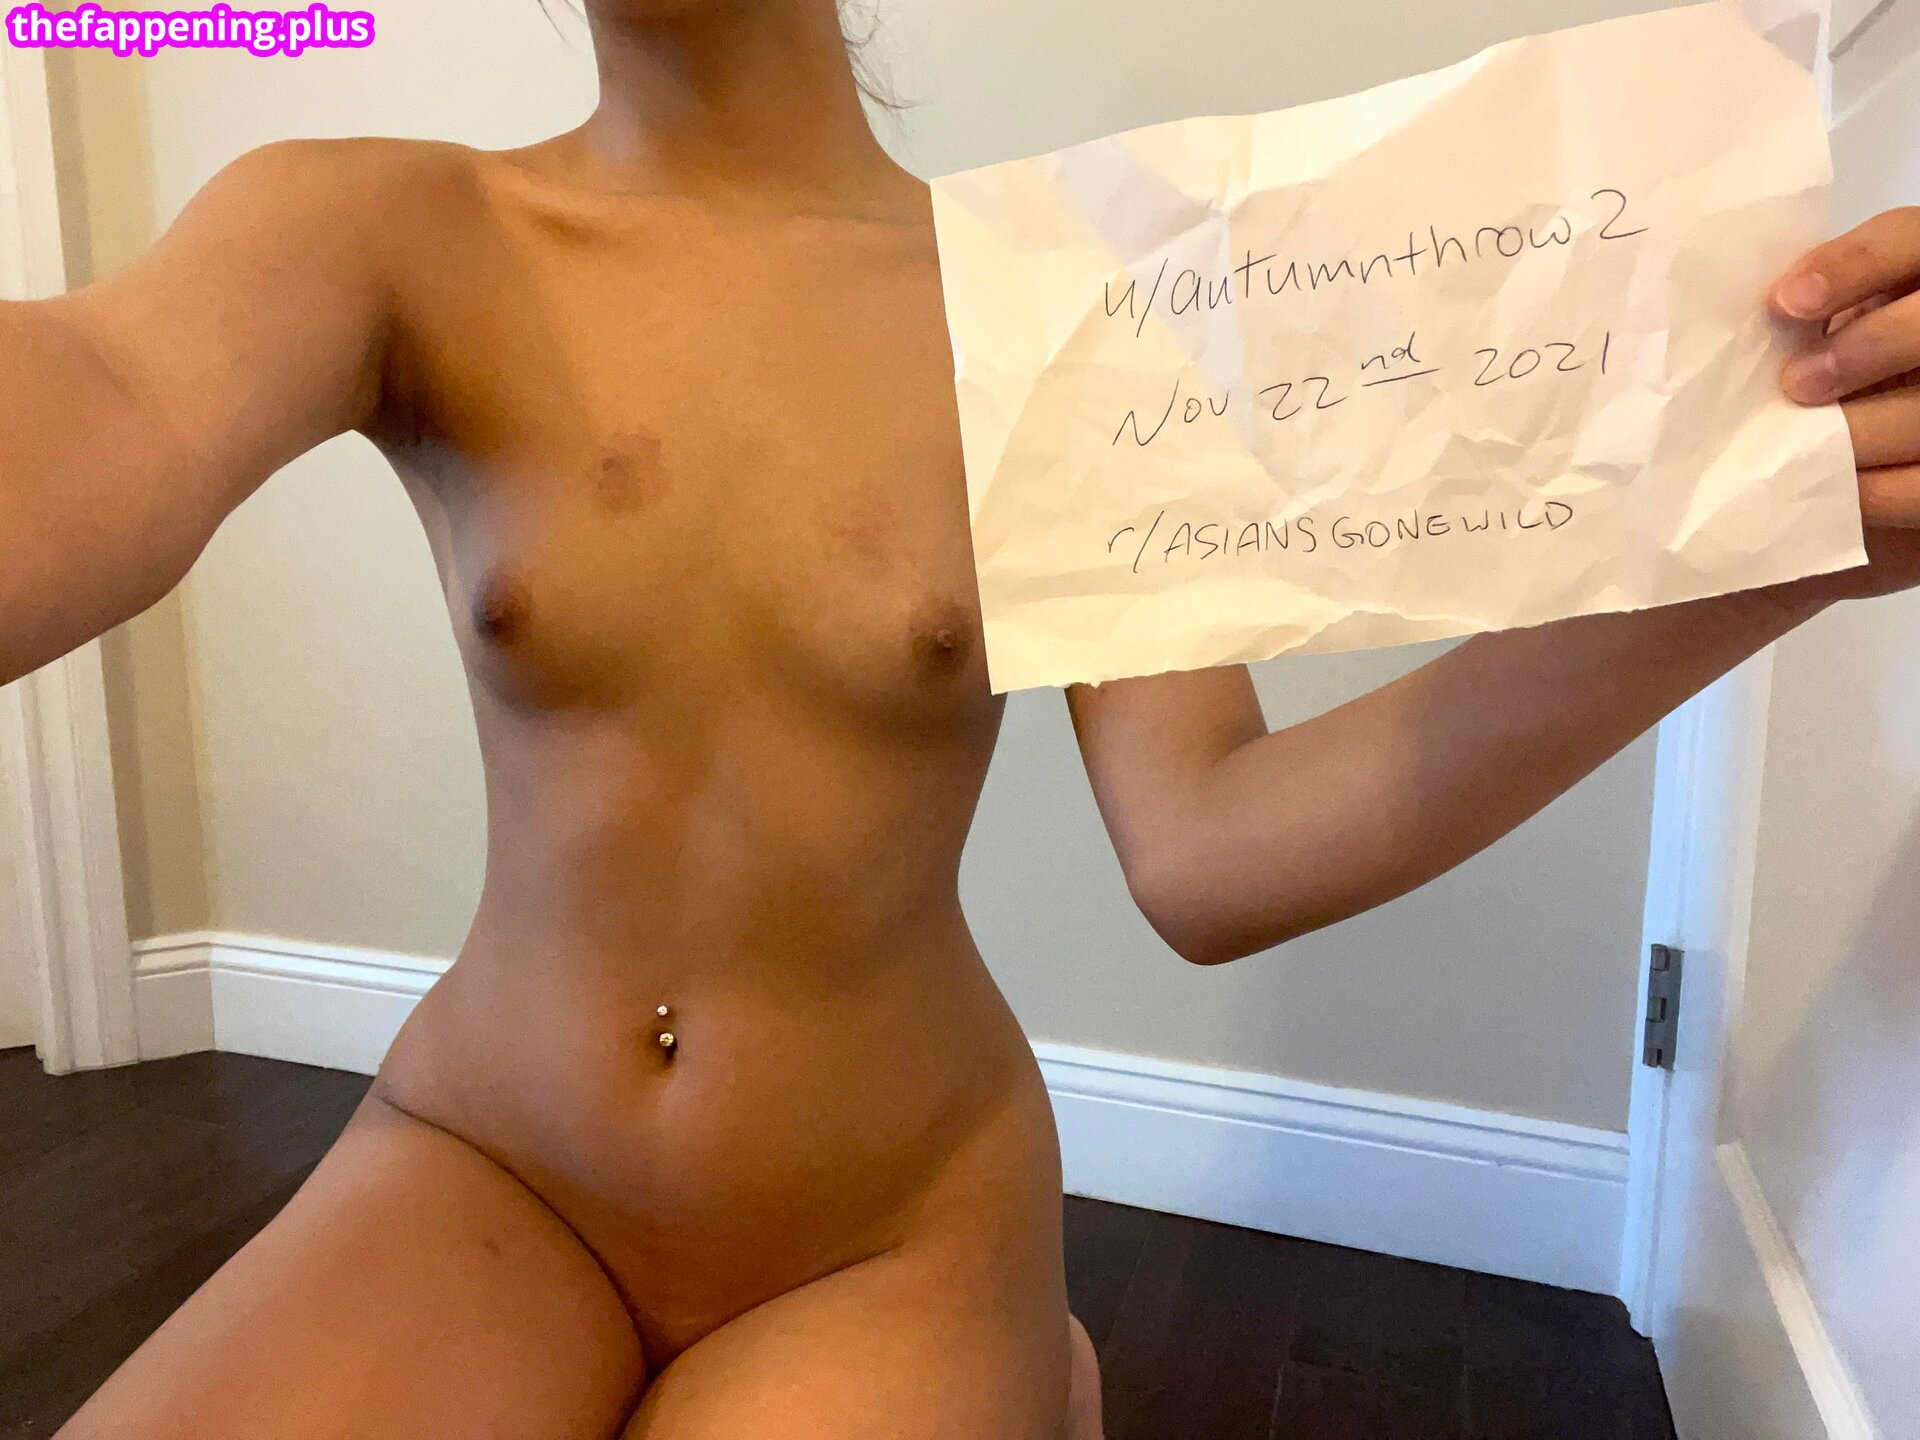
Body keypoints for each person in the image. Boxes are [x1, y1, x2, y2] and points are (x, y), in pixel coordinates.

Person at [4, 1, 1919, 1435]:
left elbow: (1207, 842)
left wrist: (1781, 546)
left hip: (882, 1223)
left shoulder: (1057, 309)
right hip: (495, 1159)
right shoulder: (385, 226)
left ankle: (1022, 1368)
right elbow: (110, 390)